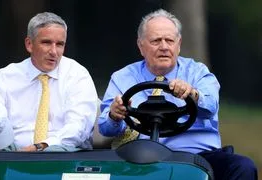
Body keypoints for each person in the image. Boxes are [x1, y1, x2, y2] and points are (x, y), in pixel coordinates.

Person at [98, 9, 257, 180]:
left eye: (169, 40)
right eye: (156, 41)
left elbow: (211, 106)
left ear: (178, 44)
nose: (164, 47)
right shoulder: (122, 77)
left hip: (197, 157)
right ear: (141, 46)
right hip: (139, 159)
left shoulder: (197, 72)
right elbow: (105, 129)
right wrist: (115, 116)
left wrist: (193, 94)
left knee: (243, 166)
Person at [0, 12, 98, 154]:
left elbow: (78, 128)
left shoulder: (77, 75)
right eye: (46, 42)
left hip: (62, 156)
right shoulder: (4, 77)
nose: (54, 51)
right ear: (29, 44)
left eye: (60, 44)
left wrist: (42, 146)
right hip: (13, 157)